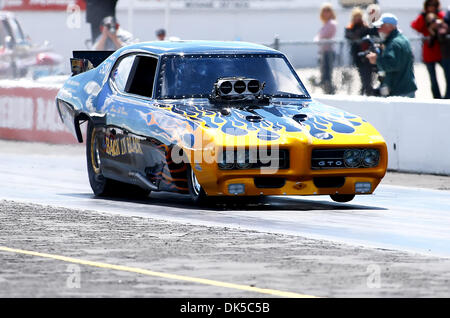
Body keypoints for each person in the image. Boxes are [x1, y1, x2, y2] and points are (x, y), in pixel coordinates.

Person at [366, 13, 417, 97]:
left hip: (399, 91)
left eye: (381, 27)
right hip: (406, 88)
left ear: (390, 26)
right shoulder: (403, 39)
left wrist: (376, 60)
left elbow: (393, 64)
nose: (379, 30)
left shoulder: (393, 43)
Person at [411, 0, 446, 98]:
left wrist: (437, 23)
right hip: (429, 52)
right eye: (429, 5)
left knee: (447, 75)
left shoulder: (440, 15)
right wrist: (424, 17)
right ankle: (437, 98)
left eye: (434, 5)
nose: (432, 7)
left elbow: (445, 25)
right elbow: (415, 26)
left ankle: (447, 96)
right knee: (433, 78)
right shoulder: (423, 16)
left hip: (441, 52)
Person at [345, 7, 378, 95]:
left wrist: (373, 18)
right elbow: (350, 35)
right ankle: (364, 92)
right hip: (357, 57)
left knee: (368, 77)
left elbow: (374, 32)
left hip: (366, 56)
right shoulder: (350, 28)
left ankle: (366, 92)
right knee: (363, 76)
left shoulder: (365, 27)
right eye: (356, 16)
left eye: (359, 16)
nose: (358, 19)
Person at [314, 3, 337, 95]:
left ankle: (329, 90)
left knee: (327, 73)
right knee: (324, 72)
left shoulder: (331, 23)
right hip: (324, 51)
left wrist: (319, 39)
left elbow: (322, 36)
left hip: (329, 52)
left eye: (328, 11)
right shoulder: (326, 24)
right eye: (324, 11)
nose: (326, 13)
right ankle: (326, 89)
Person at [427, 12, 450, 98]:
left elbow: (443, 34)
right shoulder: (436, 29)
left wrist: (442, 26)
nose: (433, 23)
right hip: (445, 56)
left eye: (433, 20)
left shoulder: (444, 25)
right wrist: (432, 31)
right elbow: (431, 44)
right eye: (430, 22)